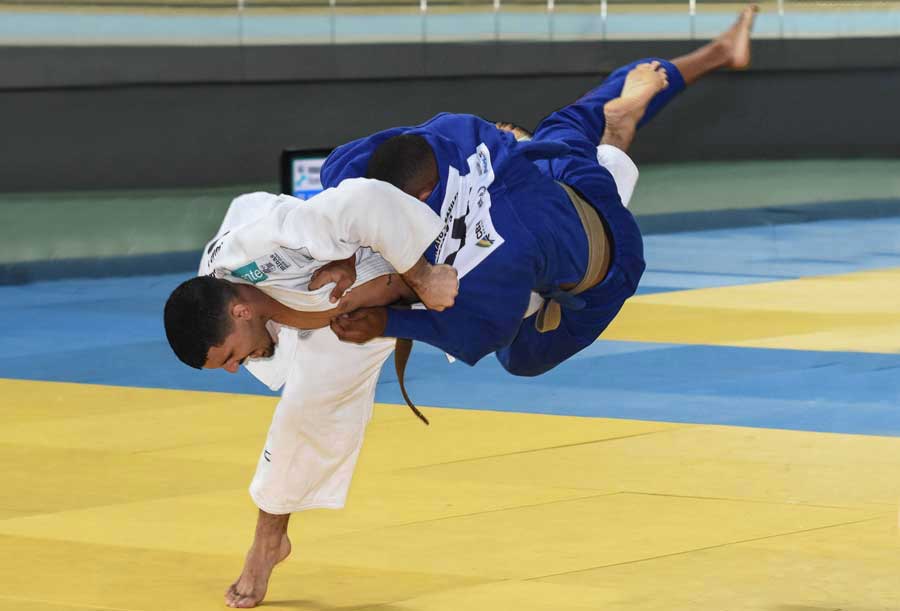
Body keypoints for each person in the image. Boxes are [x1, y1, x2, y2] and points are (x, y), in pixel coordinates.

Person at [163, 8, 757, 607]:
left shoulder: (473, 255)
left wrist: (409, 289)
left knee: (524, 342)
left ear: (240, 314)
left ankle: (618, 124)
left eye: (230, 358)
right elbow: (376, 189)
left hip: (562, 234)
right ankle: (712, 56)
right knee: (586, 124)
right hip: (505, 175)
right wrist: (382, 275)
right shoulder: (267, 245)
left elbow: (475, 322)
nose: (235, 368)